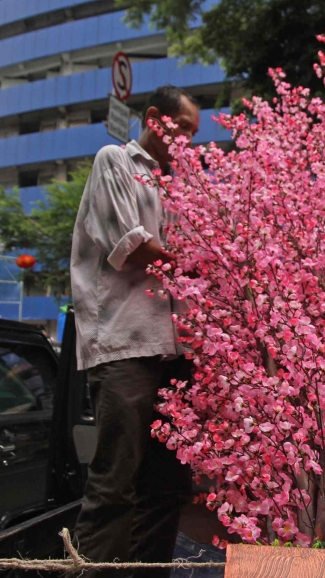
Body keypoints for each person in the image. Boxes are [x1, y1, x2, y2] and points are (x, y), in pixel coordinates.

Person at [70, 85, 200, 576]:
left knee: (168, 486)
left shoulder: (181, 187)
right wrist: (196, 268)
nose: (186, 139)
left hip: (176, 352)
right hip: (124, 345)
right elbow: (131, 245)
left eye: (192, 132)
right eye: (181, 127)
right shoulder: (116, 161)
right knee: (114, 484)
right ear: (153, 117)